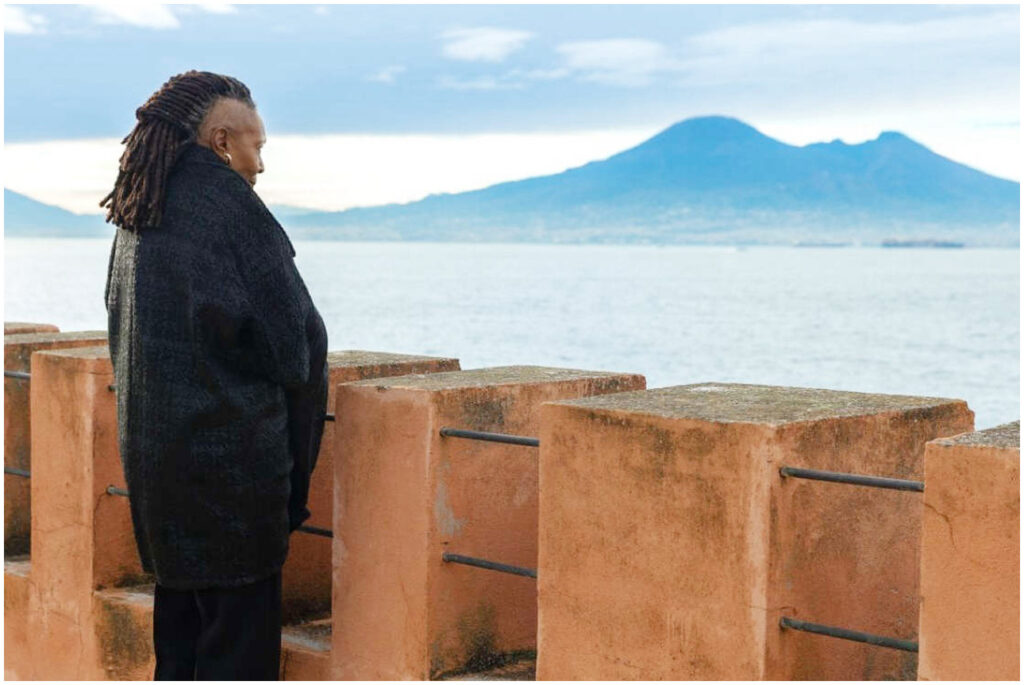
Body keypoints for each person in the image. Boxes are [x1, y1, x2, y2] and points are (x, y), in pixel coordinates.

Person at [102, 70, 328, 680]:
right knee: (237, 660)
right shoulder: (234, 213)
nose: (261, 165)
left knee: (179, 654)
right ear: (223, 141)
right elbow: (296, 351)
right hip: (234, 493)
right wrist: (293, 486)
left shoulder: (139, 210)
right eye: (258, 146)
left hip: (161, 489)